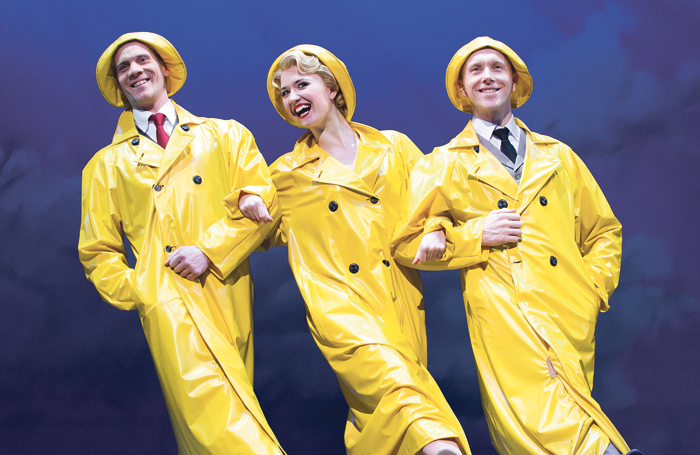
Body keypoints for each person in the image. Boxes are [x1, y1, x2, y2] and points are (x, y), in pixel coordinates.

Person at [392, 37, 643, 455]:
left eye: (496, 67)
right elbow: (405, 243)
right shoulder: (441, 163)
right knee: (540, 417)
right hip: (502, 311)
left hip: (567, 311)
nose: (487, 76)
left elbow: (604, 231)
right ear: (462, 88)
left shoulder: (559, 156)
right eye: (475, 70)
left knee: (567, 406)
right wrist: (476, 235)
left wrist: (590, 289)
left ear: (514, 80)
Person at [246, 45, 470, 455]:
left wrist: (438, 228)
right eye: (283, 93)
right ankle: (445, 449)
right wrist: (245, 200)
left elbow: (432, 204)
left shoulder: (395, 148)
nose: (292, 97)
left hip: (399, 298)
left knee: (381, 410)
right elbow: (239, 229)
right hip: (339, 306)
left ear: (331, 88)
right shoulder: (283, 175)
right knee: (399, 387)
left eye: (302, 84)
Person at [78, 32, 284, 454]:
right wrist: (146, 291)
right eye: (124, 68)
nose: (134, 70)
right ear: (118, 86)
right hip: (168, 303)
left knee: (227, 409)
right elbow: (97, 250)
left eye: (141, 60)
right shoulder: (105, 165)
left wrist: (209, 249)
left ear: (165, 69)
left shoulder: (226, 136)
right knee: (213, 413)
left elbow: (264, 201)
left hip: (226, 291)